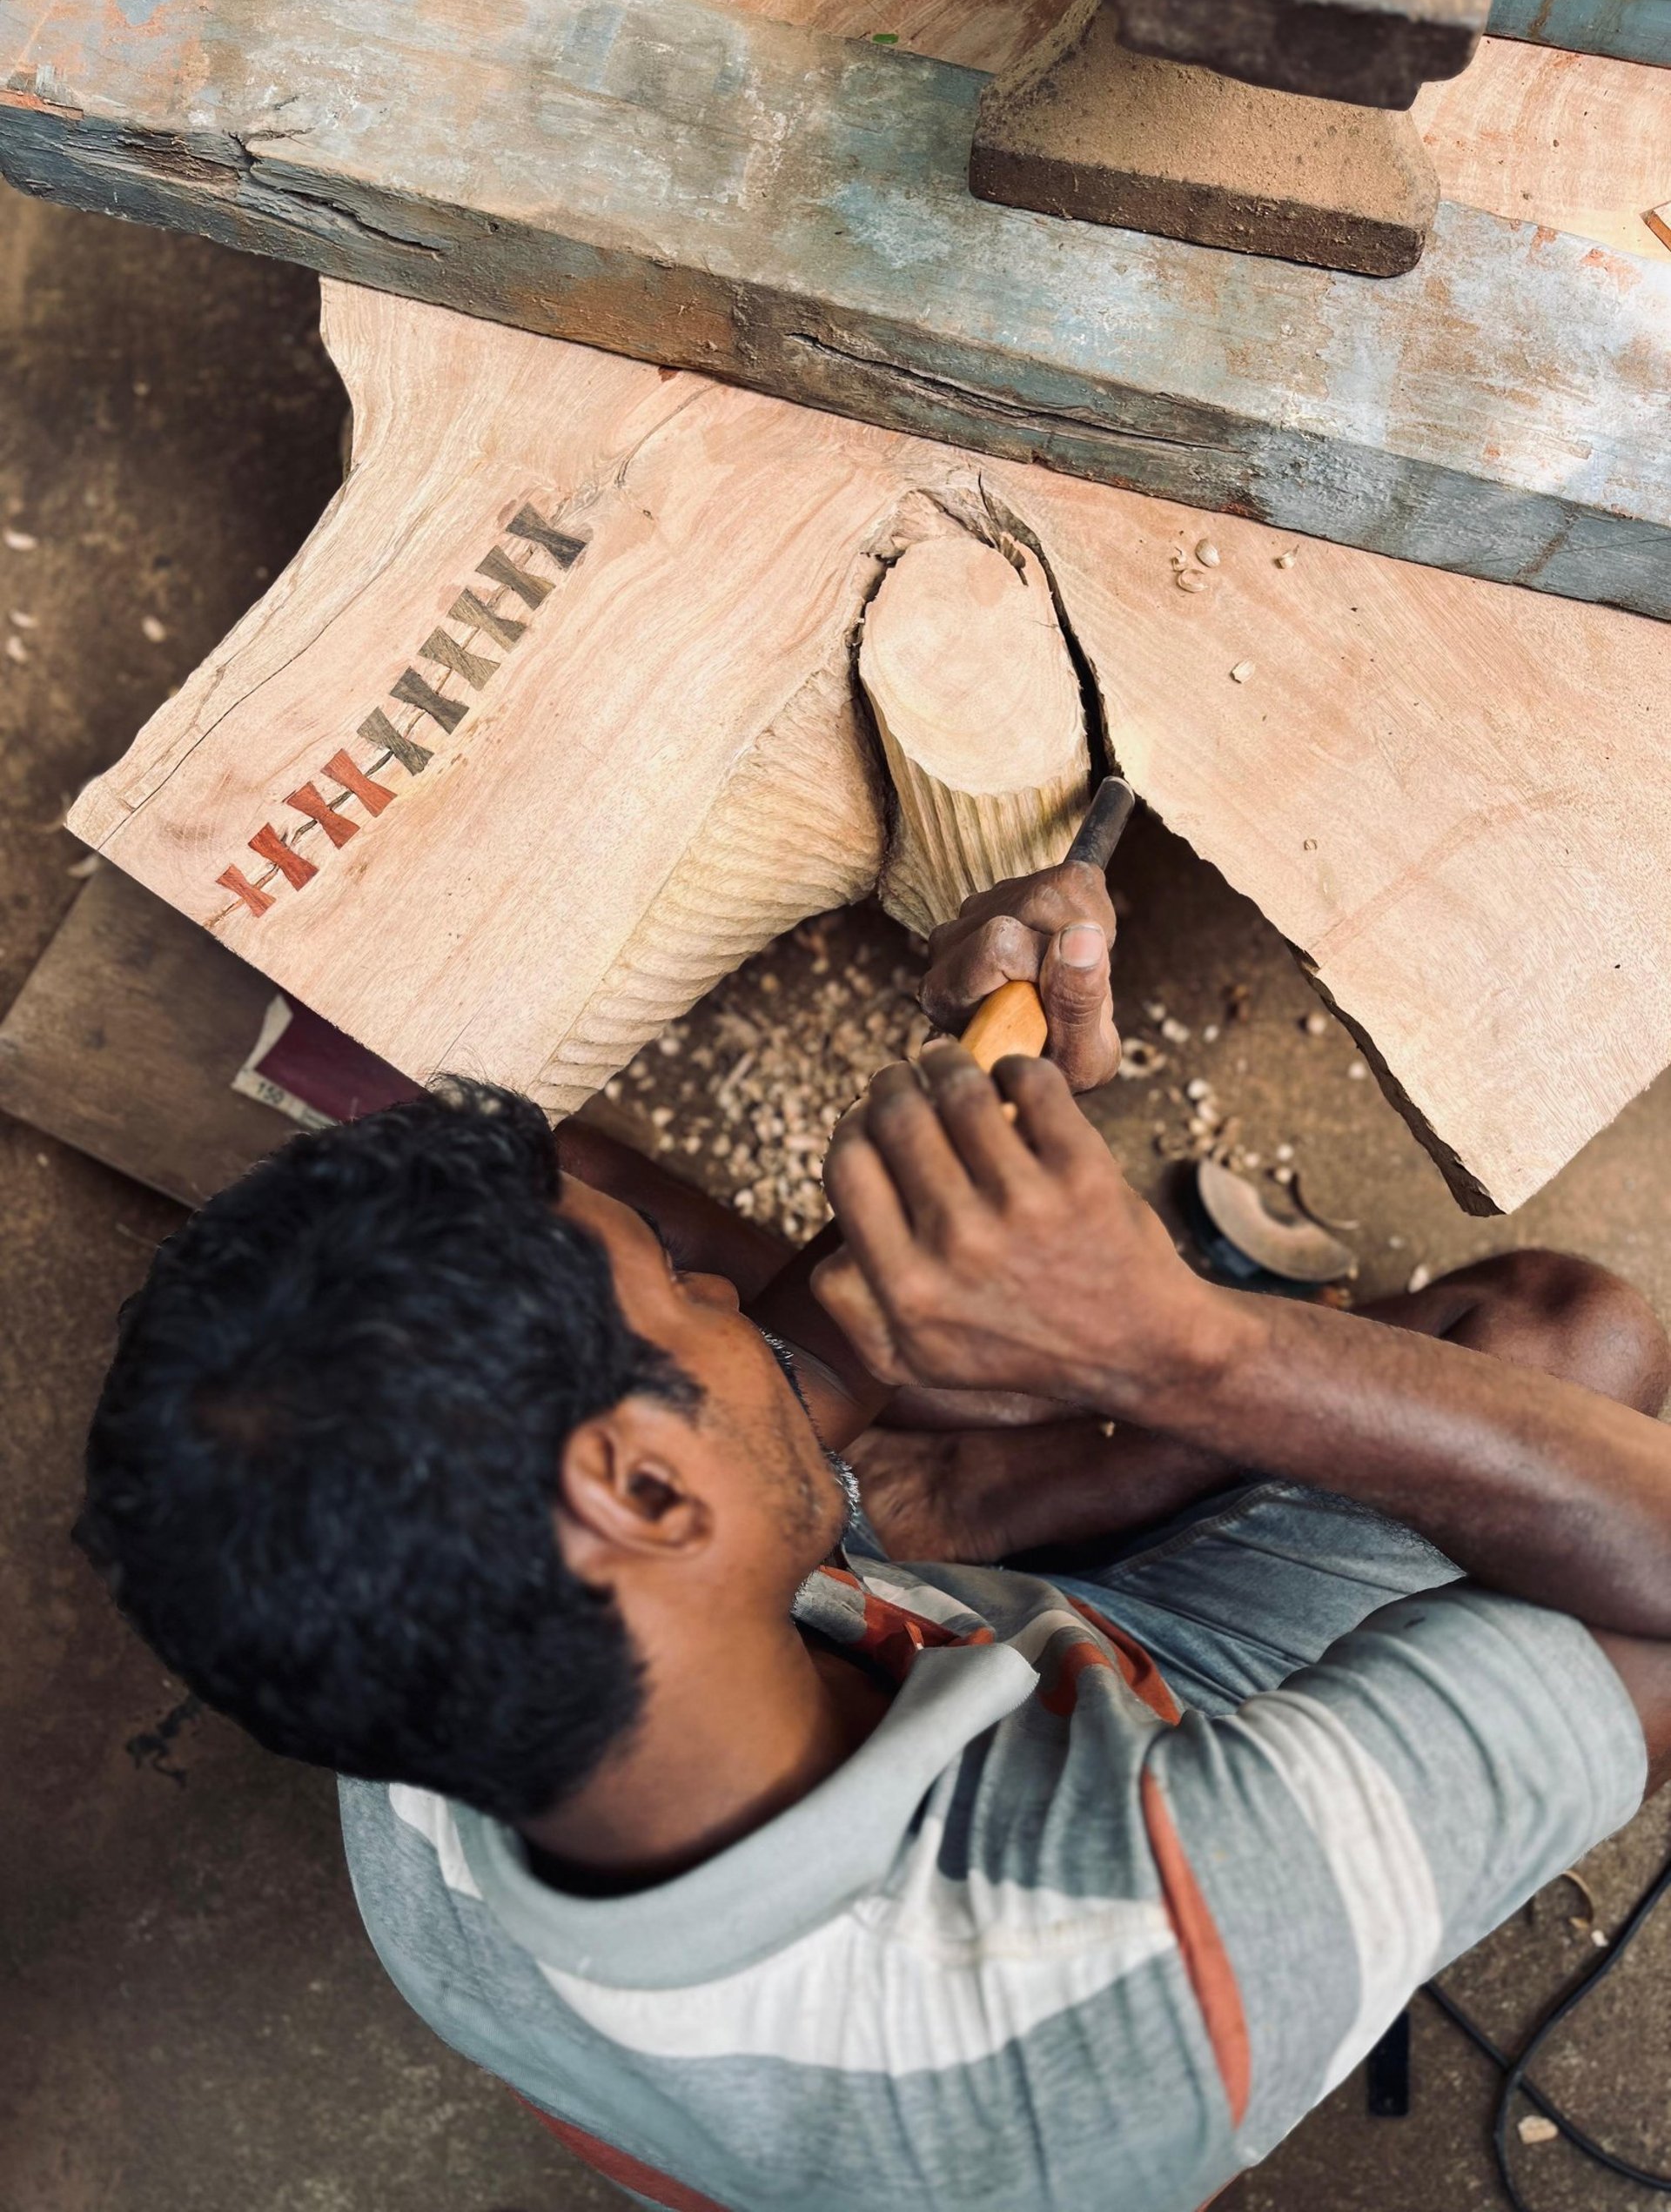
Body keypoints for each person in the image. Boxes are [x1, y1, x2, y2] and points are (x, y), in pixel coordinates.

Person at [77, 858, 1671, 2212]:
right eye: (693, 1300)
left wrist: (986, 1128)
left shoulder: (396, 1651)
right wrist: (1181, 1349)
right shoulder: (1143, 1964)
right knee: (1571, 1346)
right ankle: (1048, 1457)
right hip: (1165, 1836)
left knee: (895, 1426)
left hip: (904, 1658)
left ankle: (973, 1498)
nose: (733, 1301)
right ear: (641, 1497)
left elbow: (786, 1388)